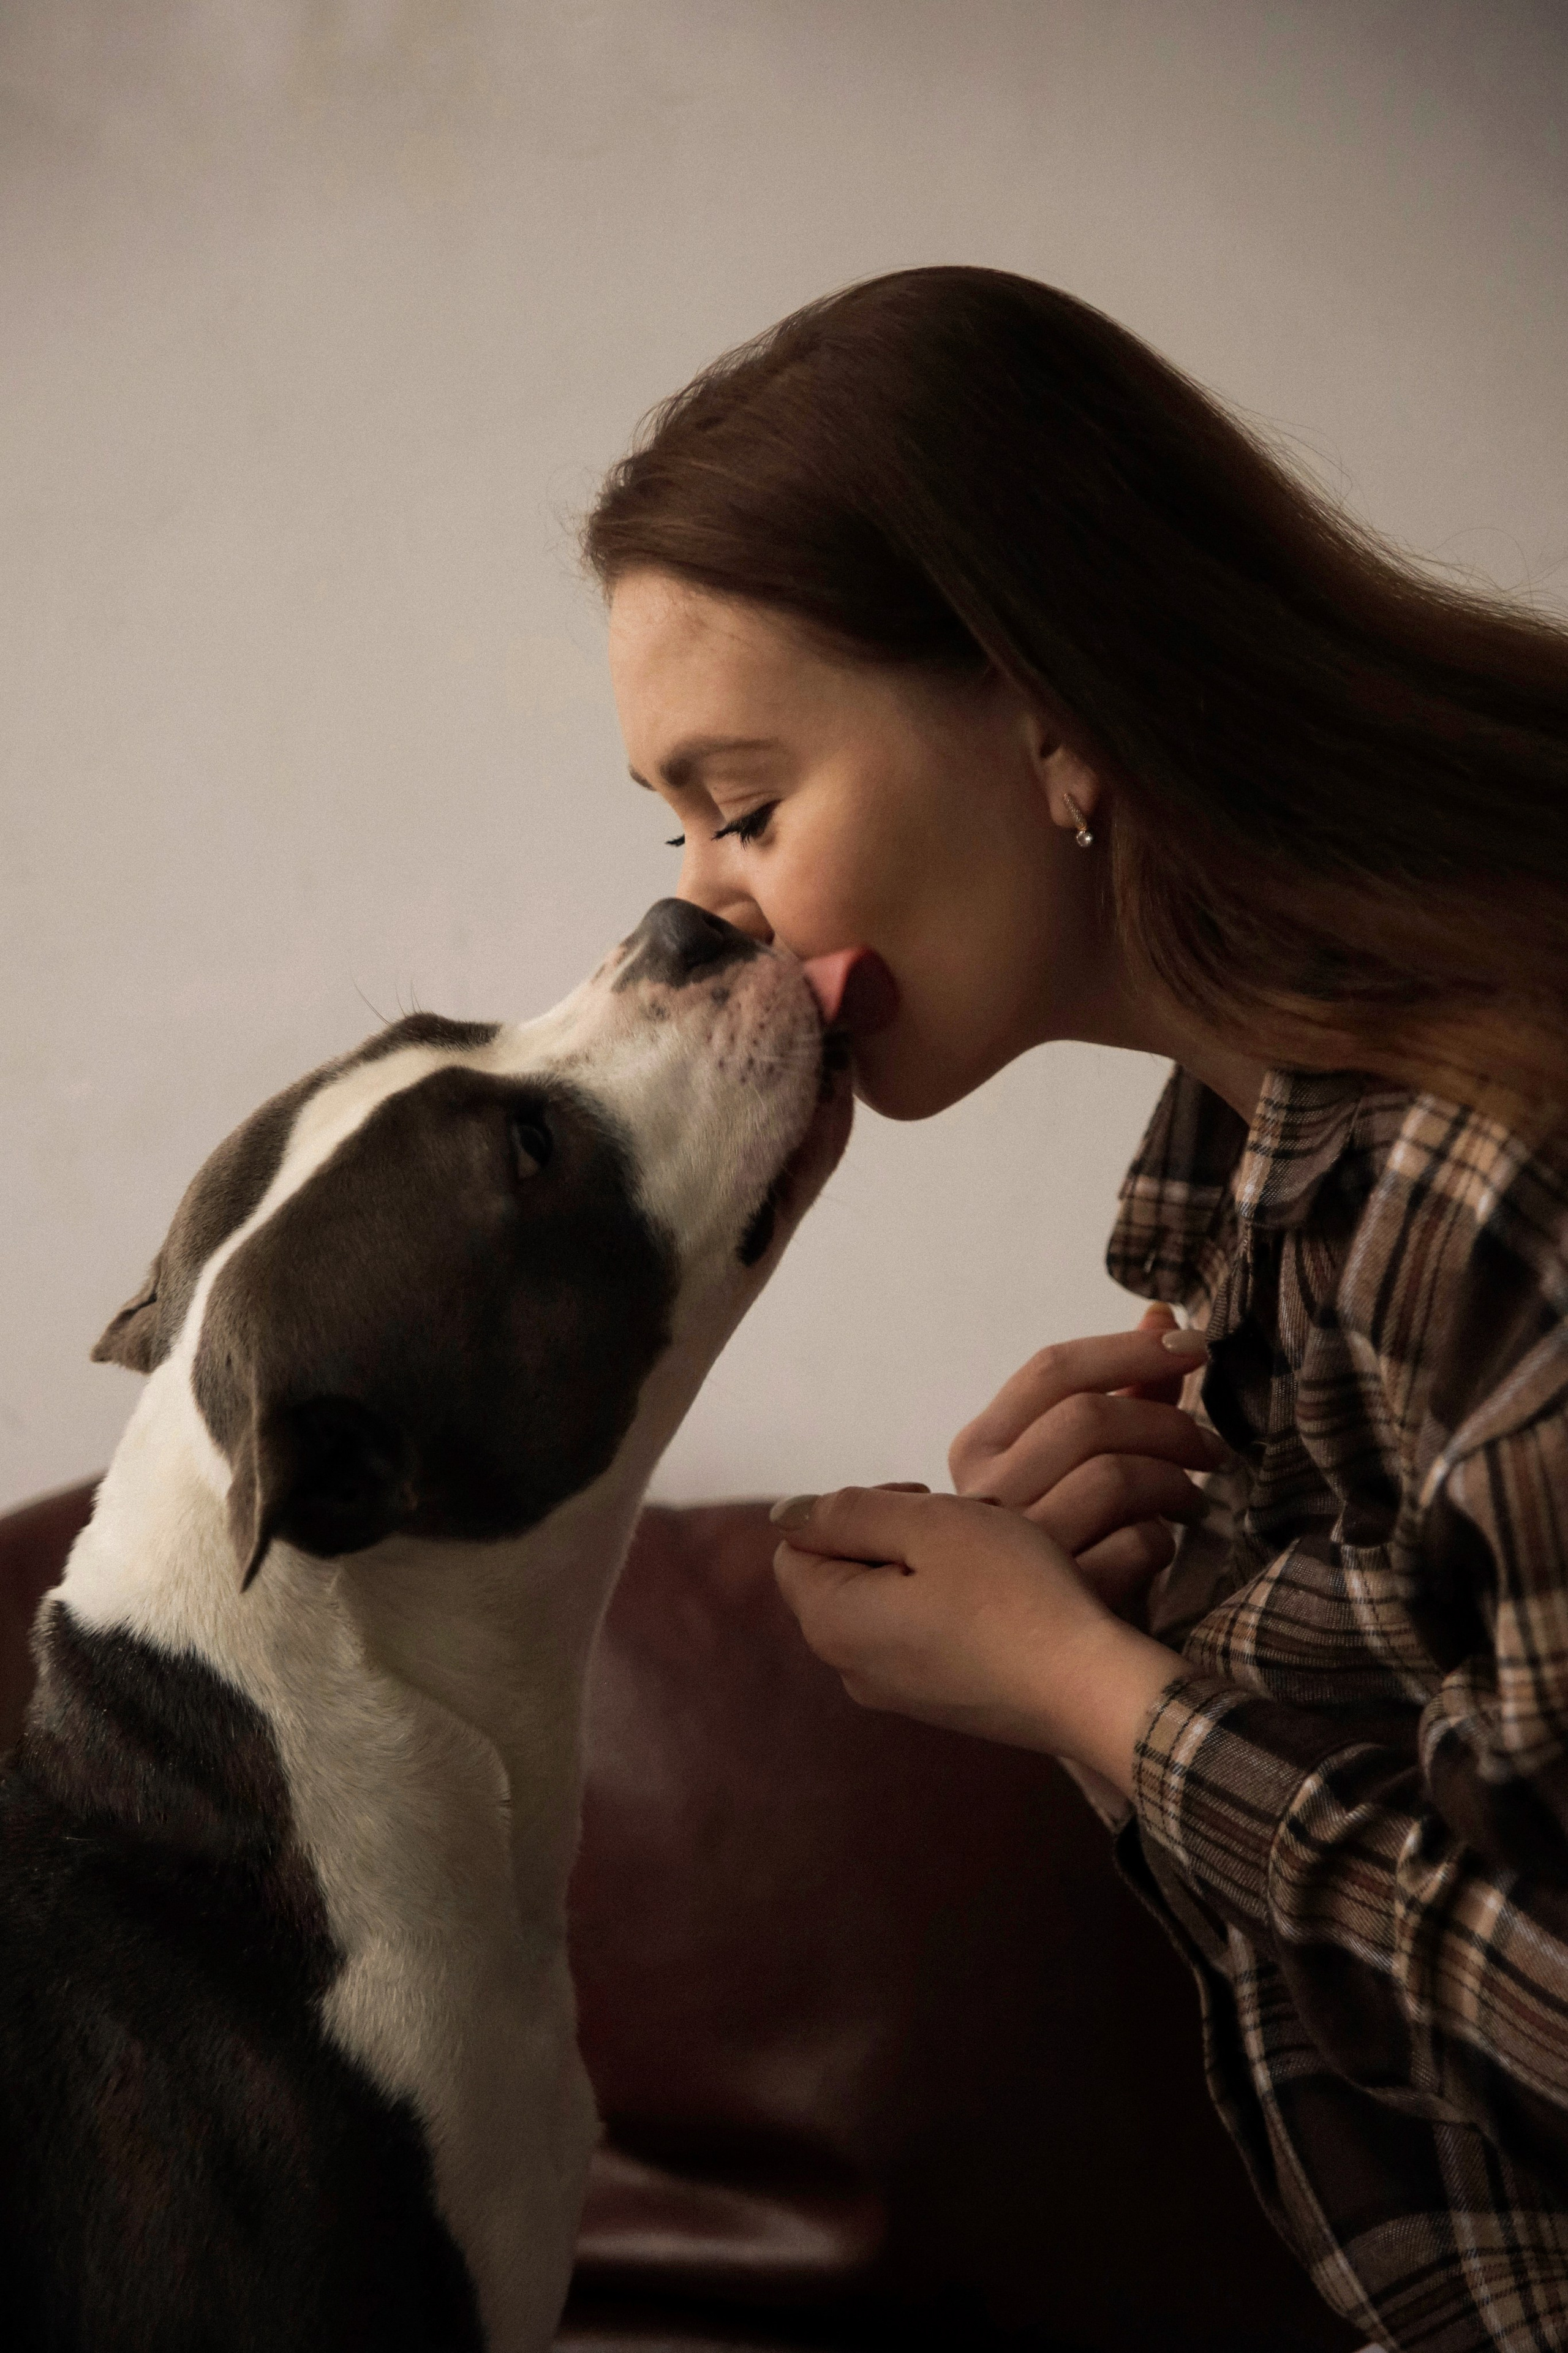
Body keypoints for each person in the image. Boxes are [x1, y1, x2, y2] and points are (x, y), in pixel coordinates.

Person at [583, 266, 1568, 2353]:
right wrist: (1122, 1656)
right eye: (673, 827)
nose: (697, 904)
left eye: (745, 809)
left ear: (1048, 714)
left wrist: (1086, 1690)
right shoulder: (1254, 1215)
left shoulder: (1475, 1185)